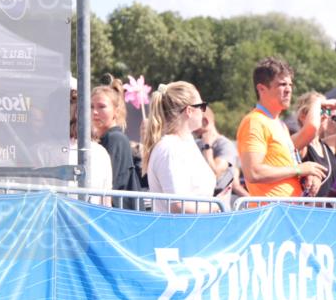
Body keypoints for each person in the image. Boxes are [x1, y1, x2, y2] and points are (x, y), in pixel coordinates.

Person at [237, 57, 327, 199]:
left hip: (287, 211)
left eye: (290, 85)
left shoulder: (281, 125)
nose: (288, 90)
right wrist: (299, 169)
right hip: (272, 213)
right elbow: (253, 172)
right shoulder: (254, 122)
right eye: (282, 84)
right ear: (261, 89)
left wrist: (305, 176)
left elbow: (285, 168)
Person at [142, 82, 223, 213]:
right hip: (177, 231)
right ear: (189, 111)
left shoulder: (187, 142)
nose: (204, 112)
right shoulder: (169, 148)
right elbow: (178, 205)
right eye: (201, 106)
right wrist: (217, 204)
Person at [91, 76, 141, 208]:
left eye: (102, 107)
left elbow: (110, 183)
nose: (94, 112)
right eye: (91, 106)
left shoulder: (115, 139)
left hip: (119, 216)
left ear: (116, 111)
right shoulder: (104, 139)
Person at [69, 82, 113, 206]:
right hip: (90, 221)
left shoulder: (40, 151)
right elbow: (106, 203)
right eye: (92, 107)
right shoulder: (101, 152)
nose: (95, 112)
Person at [193, 107, 247, 199]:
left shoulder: (225, 145)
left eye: (194, 122)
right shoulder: (196, 144)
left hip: (218, 210)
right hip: (199, 206)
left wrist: (207, 147)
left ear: (205, 121)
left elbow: (215, 173)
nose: (192, 128)